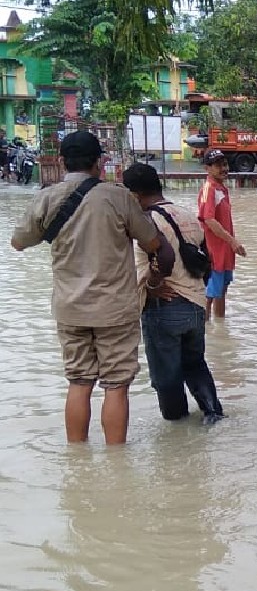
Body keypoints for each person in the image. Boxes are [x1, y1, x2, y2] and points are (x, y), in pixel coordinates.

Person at [10, 130, 173, 445]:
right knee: (116, 385)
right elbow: (152, 241)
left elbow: (18, 243)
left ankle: (78, 457)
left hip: (70, 308)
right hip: (115, 308)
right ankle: (116, 463)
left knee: (79, 381)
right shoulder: (119, 197)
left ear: (61, 162)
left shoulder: (45, 197)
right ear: (100, 161)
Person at [122, 162, 226, 425]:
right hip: (195, 303)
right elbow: (208, 260)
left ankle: (177, 432)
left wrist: (155, 285)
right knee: (196, 364)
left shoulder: (146, 220)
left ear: (134, 195)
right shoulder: (186, 214)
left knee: (166, 378)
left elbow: (163, 259)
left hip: (165, 308)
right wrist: (197, 291)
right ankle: (213, 414)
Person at [197, 149, 246, 319]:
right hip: (214, 252)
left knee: (222, 290)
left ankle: (219, 330)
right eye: (218, 165)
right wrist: (232, 241)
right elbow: (208, 219)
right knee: (209, 295)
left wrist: (231, 244)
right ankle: (204, 330)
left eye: (224, 164)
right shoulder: (208, 189)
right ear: (207, 168)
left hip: (225, 251)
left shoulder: (221, 189)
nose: (223, 168)